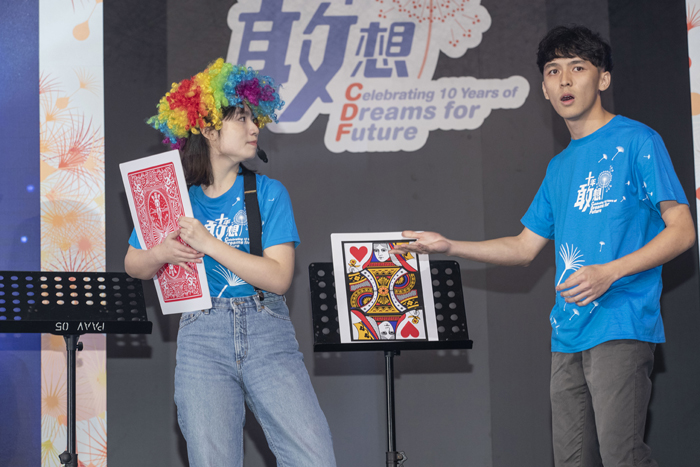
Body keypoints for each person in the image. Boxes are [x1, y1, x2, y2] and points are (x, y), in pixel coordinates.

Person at [391, 25, 695, 466]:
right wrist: (448, 245)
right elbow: (522, 247)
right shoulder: (559, 167)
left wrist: (610, 272)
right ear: (544, 89)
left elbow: (683, 230)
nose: (565, 80)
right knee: (571, 460)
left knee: (621, 457)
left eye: (577, 68)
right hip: (567, 334)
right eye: (554, 71)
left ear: (603, 79)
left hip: (621, 322)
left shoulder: (638, 141)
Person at [124, 58, 336, 467]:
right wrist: (161, 254)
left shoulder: (269, 192)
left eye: (255, 119)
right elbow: (134, 263)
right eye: (241, 119)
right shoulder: (174, 196)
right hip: (201, 338)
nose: (255, 128)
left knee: (314, 458)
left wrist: (210, 243)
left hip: (267, 333)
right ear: (207, 129)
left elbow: (278, 278)